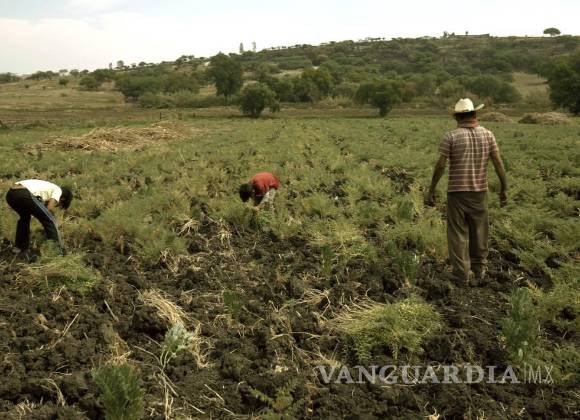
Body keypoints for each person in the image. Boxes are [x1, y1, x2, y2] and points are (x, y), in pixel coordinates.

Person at [425, 98, 507, 285]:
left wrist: (431, 189)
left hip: (457, 193)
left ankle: (461, 275)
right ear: (475, 114)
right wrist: (504, 189)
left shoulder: (451, 136)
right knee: (479, 231)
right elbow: (498, 163)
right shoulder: (488, 135)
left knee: (457, 233)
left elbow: (440, 165)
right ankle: (479, 270)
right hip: (480, 193)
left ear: (457, 117)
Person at [5, 179, 73, 254]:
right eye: (58, 204)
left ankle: (19, 247)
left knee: (25, 218)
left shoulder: (48, 188)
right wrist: (54, 221)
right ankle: (58, 251)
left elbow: (41, 208)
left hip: (11, 194)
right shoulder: (58, 190)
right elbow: (49, 208)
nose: (56, 205)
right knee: (50, 220)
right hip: (24, 194)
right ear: (62, 199)